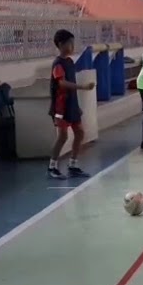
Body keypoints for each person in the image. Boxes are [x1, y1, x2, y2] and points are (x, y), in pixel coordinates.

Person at [49, 29, 95, 178]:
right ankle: (52, 166)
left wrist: (76, 105)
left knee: (80, 132)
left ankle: (73, 164)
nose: (72, 46)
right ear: (61, 44)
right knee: (62, 136)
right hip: (60, 107)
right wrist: (83, 87)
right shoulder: (58, 64)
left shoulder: (69, 62)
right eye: (70, 43)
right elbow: (61, 83)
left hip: (71, 105)